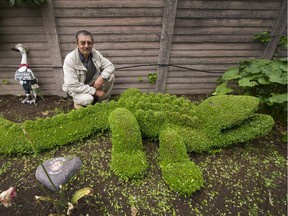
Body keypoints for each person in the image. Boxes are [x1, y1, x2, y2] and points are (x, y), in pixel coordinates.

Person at [62, 30, 115, 109]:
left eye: (89, 43)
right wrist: (95, 91)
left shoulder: (95, 54)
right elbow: (72, 85)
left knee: (110, 76)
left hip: (91, 82)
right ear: (77, 44)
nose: (86, 46)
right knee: (88, 99)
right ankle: (77, 101)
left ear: (92, 44)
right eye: (83, 43)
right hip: (77, 88)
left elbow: (110, 66)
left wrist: (101, 78)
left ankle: (103, 102)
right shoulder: (70, 59)